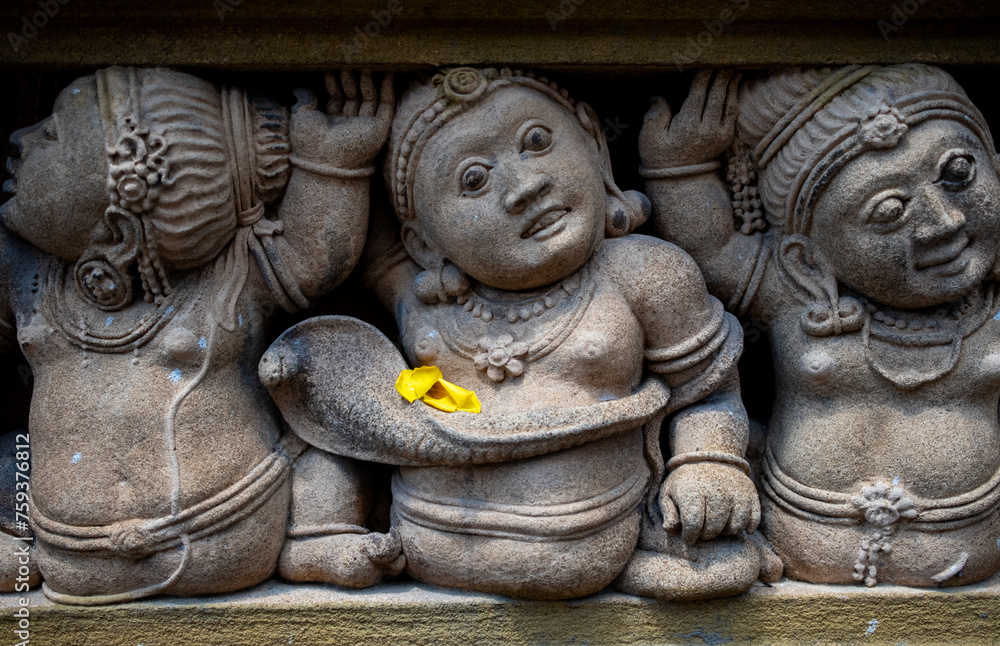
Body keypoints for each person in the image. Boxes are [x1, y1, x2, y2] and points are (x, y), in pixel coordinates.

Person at [264, 67, 769, 600]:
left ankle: (626, 560)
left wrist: (708, 463)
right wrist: (335, 164)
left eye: (537, 141)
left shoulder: (641, 273)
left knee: (725, 570)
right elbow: (342, 253)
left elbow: (709, 392)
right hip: (420, 537)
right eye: (474, 179)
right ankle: (318, 538)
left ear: (597, 149)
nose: (525, 187)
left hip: (590, 533)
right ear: (426, 243)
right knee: (335, 412)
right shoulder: (426, 300)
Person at [0, 67, 401, 603]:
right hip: (70, 551)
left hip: (229, 526)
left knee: (326, 446)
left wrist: (332, 160)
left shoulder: (229, 277)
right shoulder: (26, 275)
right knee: (11, 457)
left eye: (49, 135)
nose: (20, 138)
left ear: (122, 213)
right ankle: (15, 541)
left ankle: (316, 536)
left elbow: (311, 256)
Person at [642, 65, 1000, 586]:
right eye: (889, 209)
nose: (944, 221)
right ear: (809, 260)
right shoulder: (797, 296)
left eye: (959, 174)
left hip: (968, 547)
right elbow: (712, 251)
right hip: (802, 540)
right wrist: (680, 167)